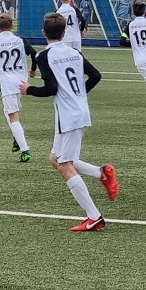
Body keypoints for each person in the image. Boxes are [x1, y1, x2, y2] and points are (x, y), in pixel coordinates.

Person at [20, 12, 118, 232]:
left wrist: (29, 90)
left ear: (43, 32)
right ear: (64, 33)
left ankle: (94, 217)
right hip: (77, 111)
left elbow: (51, 88)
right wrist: (78, 95)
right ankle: (102, 173)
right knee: (55, 159)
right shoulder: (74, 52)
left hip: (68, 115)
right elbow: (96, 76)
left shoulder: (44, 56)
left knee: (65, 166)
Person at [0, 13, 37, 162]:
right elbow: (34, 53)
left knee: (13, 116)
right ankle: (17, 137)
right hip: (22, 82)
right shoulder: (20, 40)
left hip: (7, 84)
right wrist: (33, 69)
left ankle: (25, 150)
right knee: (7, 110)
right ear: (12, 25)